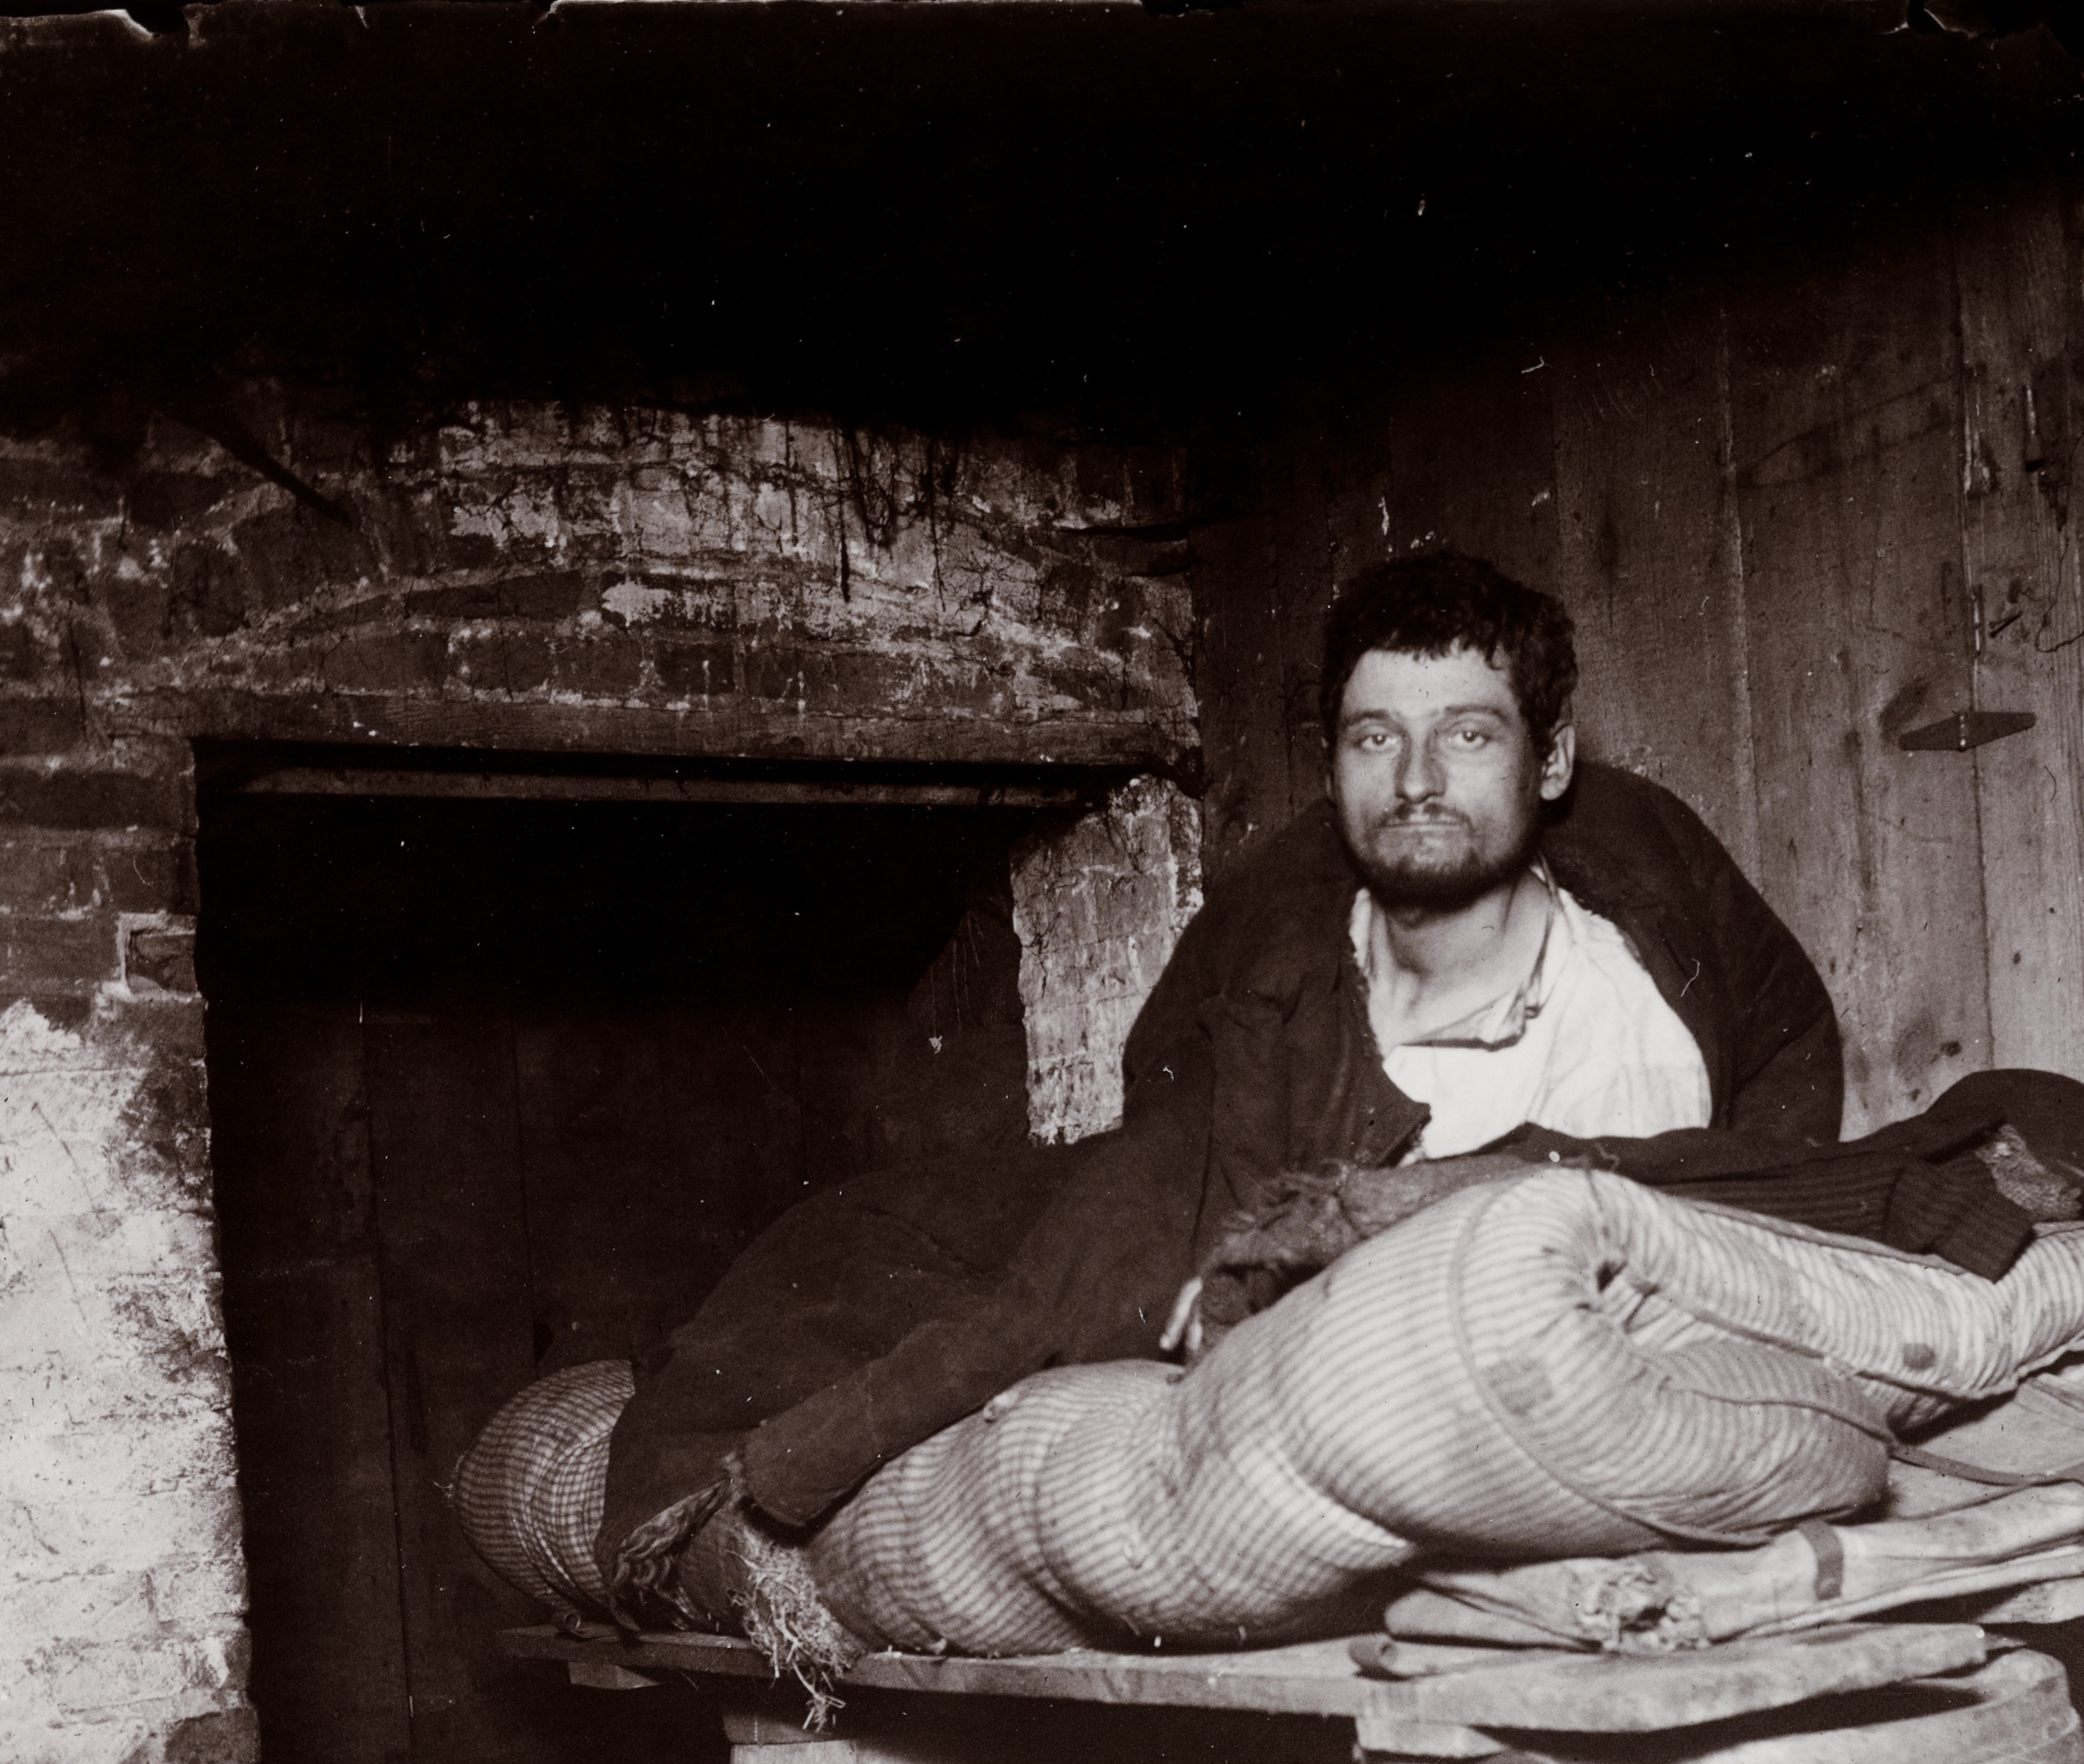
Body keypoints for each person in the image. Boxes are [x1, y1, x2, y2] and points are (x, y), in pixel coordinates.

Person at [593, 549, 1843, 1624]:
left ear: (1551, 759)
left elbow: (1780, 1068)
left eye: (1468, 734)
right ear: (1332, 764)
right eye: (1375, 737)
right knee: (877, 1238)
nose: (1416, 779)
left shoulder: (1636, 995)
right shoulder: (1284, 974)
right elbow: (1170, 1128)